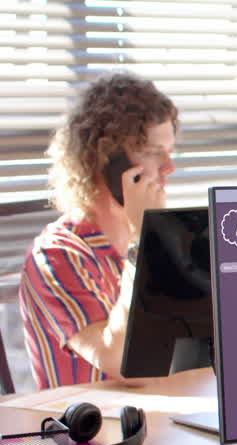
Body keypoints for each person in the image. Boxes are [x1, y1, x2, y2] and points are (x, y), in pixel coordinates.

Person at [19, 72, 177, 389]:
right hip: (99, 435)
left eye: (170, 151)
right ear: (107, 160)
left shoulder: (167, 243)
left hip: (172, 422)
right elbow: (128, 364)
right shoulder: (57, 255)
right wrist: (142, 240)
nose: (169, 168)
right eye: (151, 152)